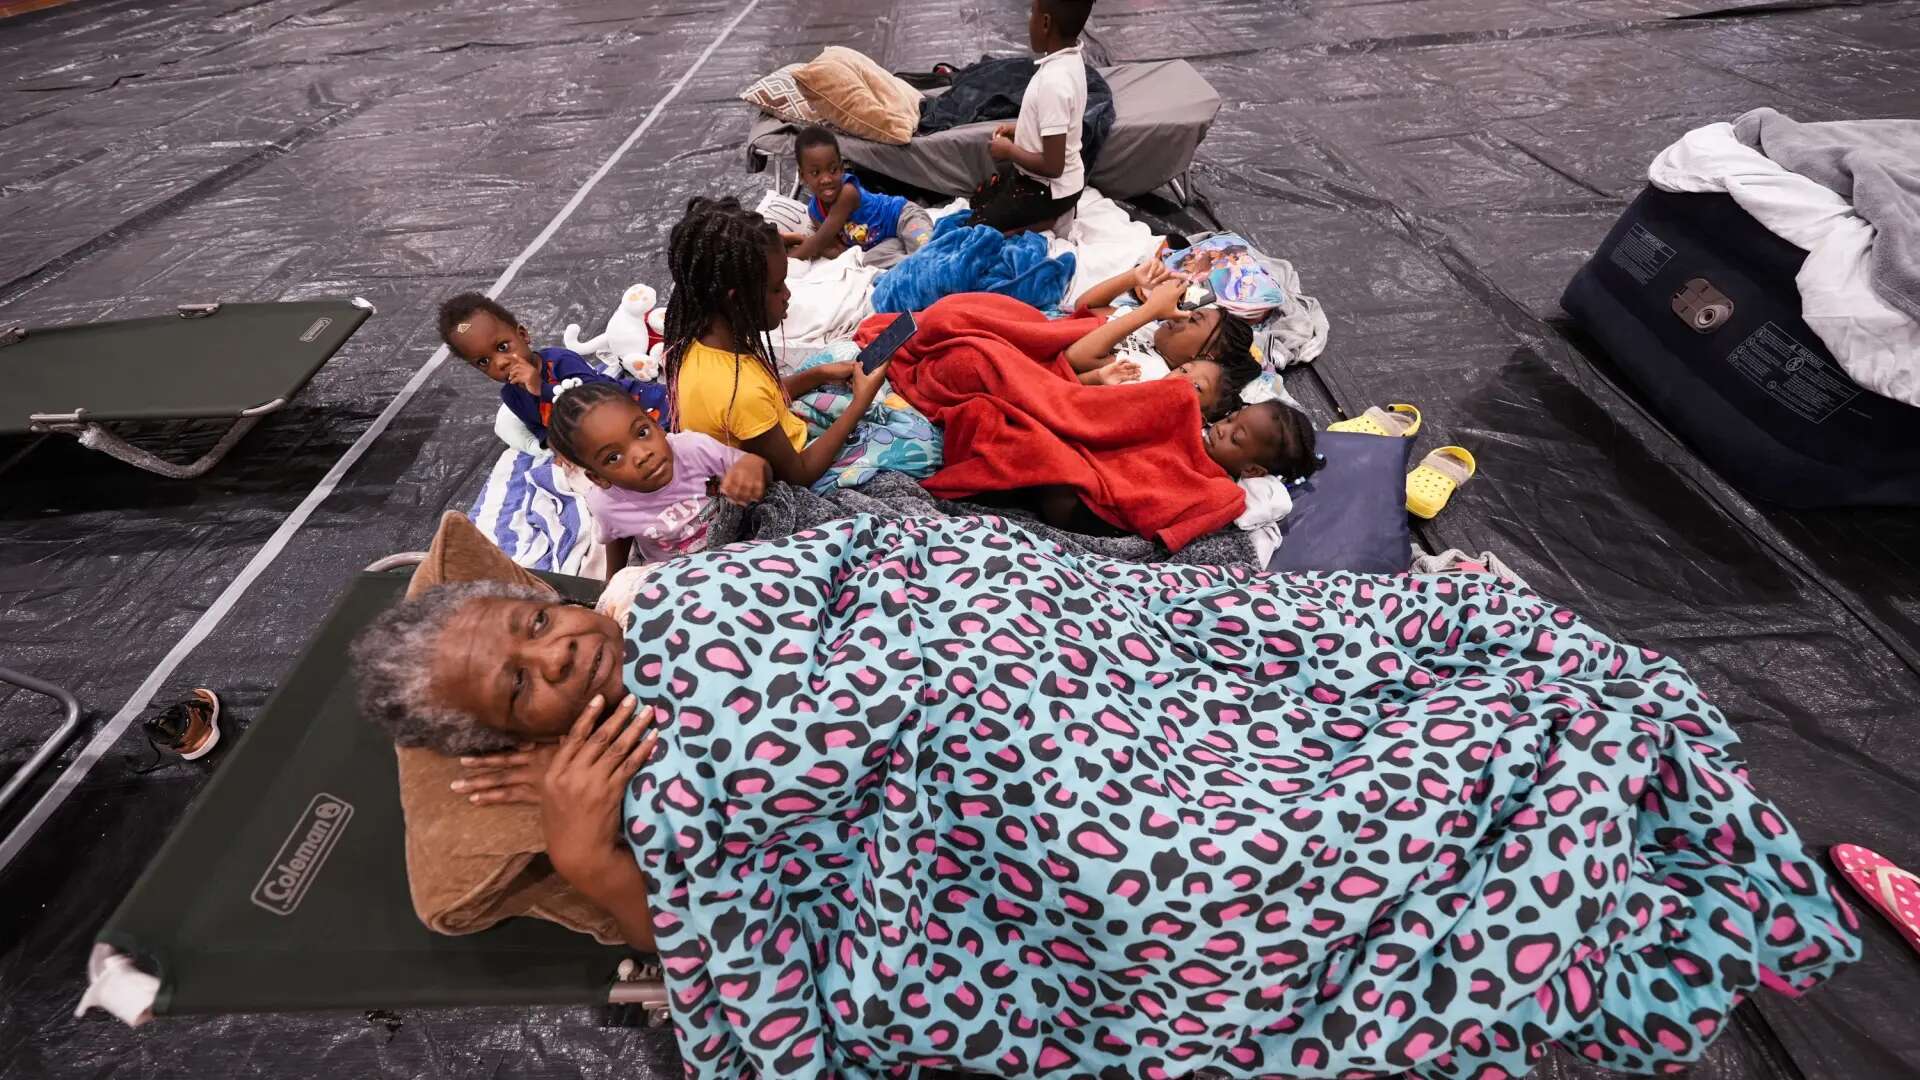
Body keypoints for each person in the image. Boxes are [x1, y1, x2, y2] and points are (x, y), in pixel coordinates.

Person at [351, 514, 1854, 1080]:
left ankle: (1440, 737)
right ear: (507, 733)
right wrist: (582, 845)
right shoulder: (619, 783)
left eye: (544, 620)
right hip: (995, 837)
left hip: (1048, 666)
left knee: (1255, 665)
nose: (565, 648)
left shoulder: (673, 603)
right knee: (1167, 881)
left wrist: (957, 612)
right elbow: (718, 954)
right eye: (530, 681)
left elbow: (887, 558)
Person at [660, 196, 892, 489]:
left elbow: (761, 404)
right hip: (795, 469)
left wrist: (818, 375)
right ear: (735, 298)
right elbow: (800, 473)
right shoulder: (738, 390)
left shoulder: (698, 338)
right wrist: (860, 403)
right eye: (776, 287)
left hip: (773, 429)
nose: (787, 295)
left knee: (844, 353)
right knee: (921, 447)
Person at [543, 380, 771, 573]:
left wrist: (753, 464)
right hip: (676, 574)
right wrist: (613, 579)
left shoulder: (695, 449)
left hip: (738, 544)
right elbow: (617, 535)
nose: (642, 455)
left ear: (656, 424)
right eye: (613, 457)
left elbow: (763, 473)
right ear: (599, 478)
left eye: (642, 433)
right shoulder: (606, 504)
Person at [438, 292, 667, 448]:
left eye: (502, 347)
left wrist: (542, 388)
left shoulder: (559, 360)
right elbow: (539, 429)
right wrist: (556, 449)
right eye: (483, 362)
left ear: (523, 335)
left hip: (635, 406)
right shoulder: (511, 395)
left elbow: (602, 397)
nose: (500, 363)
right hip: (600, 439)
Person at [1064, 260, 1263, 420]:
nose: (1181, 315)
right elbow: (1086, 308)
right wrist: (1134, 277)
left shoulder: (1153, 372)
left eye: (1194, 320)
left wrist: (1150, 310)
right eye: (1188, 311)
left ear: (1204, 356)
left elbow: (1075, 358)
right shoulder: (1151, 328)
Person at [966, 0, 1092, 234]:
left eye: (1032, 13)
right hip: (1057, 185)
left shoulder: (1054, 81)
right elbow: (1055, 123)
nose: (1029, 20)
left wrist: (1008, 151)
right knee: (980, 199)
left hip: (1049, 189)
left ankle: (1048, 223)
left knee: (976, 231)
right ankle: (1049, 214)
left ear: (1045, 23)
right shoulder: (1070, 60)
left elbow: (1053, 166)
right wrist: (1019, 130)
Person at [781, 125, 933, 268]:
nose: (826, 179)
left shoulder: (847, 193)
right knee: (869, 260)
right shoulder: (815, 212)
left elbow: (819, 241)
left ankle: (939, 261)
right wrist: (805, 242)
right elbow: (838, 251)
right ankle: (915, 269)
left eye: (833, 170)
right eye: (815, 173)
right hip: (885, 242)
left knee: (926, 251)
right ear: (802, 176)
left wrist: (785, 259)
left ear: (841, 169)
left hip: (903, 218)